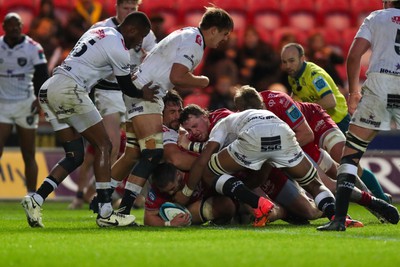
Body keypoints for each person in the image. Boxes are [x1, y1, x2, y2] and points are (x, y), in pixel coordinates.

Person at [20, 12, 158, 228]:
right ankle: (105, 211)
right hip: (69, 90)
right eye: (140, 37)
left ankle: (36, 199)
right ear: (131, 30)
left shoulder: (98, 31)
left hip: (49, 88)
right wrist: (145, 94)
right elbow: (127, 88)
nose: (139, 43)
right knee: (104, 144)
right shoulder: (119, 48)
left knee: (75, 155)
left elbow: (104, 78)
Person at [114, 7, 234, 215]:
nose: (224, 40)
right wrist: (201, 81)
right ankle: (123, 210)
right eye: (224, 34)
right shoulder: (195, 43)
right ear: (213, 30)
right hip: (145, 95)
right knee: (152, 153)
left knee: (133, 153)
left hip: (139, 91)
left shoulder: (186, 33)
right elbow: (177, 76)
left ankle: (103, 200)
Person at [175, 105, 337, 227]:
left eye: (195, 126)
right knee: (314, 184)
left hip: (263, 162)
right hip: (280, 136)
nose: (193, 132)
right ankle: (337, 214)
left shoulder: (220, 119)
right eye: (189, 130)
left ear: (205, 116)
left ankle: (268, 206)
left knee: (208, 171)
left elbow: (209, 155)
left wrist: (186, 191)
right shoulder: (232, 119)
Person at [318, 0, 400, 231]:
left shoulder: (377, 17)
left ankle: (339, 220)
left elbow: (354, 56)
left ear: (387, 1)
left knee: (350, 155)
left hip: (379, 85)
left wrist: (353, 92)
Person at [281, 42, 390, 204]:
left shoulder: (314, 75)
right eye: (284, 62)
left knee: (353, 166)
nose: (288, 65)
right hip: (319, 124)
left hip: (338, 122)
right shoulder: (293, 77)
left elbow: (330, 102)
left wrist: (305, 110)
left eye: (291, 60)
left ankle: (381, 199)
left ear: (302, 58)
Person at [90, 0, 157, 179]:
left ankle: (136, 195)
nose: (129, 12)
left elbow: (155, 58)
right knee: (111, 143)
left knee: (145, 146)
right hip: (107, 90)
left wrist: (148, 58)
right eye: (125, 8)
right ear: (116, 8)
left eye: (133, 9)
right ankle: (102, 192)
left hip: (134, 91)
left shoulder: (145, 32)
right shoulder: (101, 28)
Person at [0, 13, 49, 195]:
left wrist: (40, 98)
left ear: (22, 27)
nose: (14, 28)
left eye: (18, 25)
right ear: (4, 26)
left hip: (25, 104)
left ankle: (31, 196)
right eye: (11, 25)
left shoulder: (33, 48)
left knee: (28, 152)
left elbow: (43, 75)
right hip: (2, 105)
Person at [144, 162, 236, 226]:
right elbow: (148, 218)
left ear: (178, 175)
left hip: (209, 199)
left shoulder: (192, 171)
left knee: (230, 205)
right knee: (226, 205)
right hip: (187, 211)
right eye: (165, 192)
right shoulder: (155, 191)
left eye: (172, 188)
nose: (170, 193)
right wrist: (169, 224)